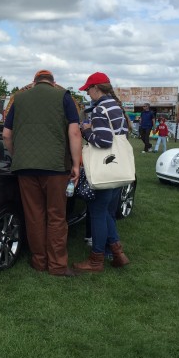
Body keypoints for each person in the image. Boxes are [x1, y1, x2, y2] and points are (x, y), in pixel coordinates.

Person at [2, 69, 82, 277]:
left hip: (25, 166)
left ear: (34, 82)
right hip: (56, 167)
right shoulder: (63, 97)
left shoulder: (18, 99)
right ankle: (57, 265)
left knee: (34, 215)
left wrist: (17, 155)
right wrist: (76, 164)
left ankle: (39, 261)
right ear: (53, 83)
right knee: (56, 215)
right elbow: (74, 132)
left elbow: (6, 134)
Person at [73, 71, 131, 273]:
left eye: (88, 89)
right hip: (117, 169)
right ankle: (118, 253)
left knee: (97, 212)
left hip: (104, 168)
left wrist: (86, 130)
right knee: (106, 212)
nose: (88, 93)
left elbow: (103, 141)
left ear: (96, 88)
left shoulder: (100, 109)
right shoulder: (115, 105)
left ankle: (96, 260)